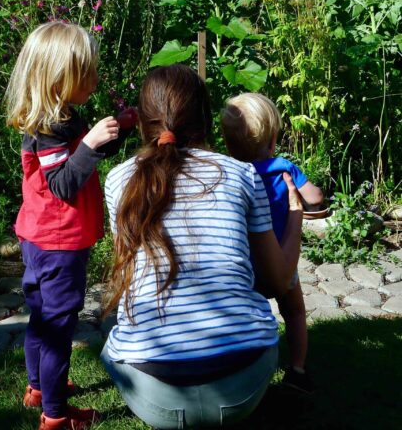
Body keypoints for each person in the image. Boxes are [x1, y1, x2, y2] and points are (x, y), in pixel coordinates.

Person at [101, 64, 304, 429]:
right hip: (242, 386)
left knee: (110, 348)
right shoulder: (240, 174)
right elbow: (277, 282)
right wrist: (295, 217)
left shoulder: (119, 180)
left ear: (145, 120)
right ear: (205, 118)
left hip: (153, 396)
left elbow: (130, 272)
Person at [5, 22, 135, 430]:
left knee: (41, 317)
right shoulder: (47, 132)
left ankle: (38, 389)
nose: (95, 80)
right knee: (59, 329)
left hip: (41, 238)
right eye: (88, 73)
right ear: (60, 78)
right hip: (58, 245)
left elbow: (83, 155)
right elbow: (63, 184)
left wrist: (117, 131)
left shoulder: (59, 119)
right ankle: (56, 417)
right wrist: (92, 143)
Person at [221, 92, 323, 394]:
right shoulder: (283, 168)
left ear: (228, 143)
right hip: (281, 259)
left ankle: (236, 364)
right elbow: (315, 198)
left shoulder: (230, 172)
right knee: (294, 312)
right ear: (273, 138)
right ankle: (297, 369)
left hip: (244, 266)